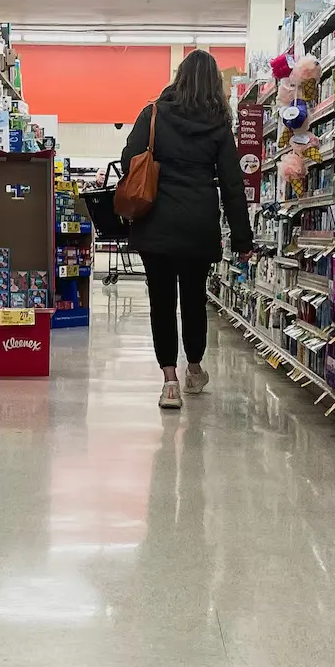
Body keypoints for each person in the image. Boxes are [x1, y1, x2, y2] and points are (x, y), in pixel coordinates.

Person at [120, 49, 253, 410]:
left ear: (179, 76)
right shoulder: (218, 125)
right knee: (194, 299)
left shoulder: (153, 113)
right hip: (198, 224)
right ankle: (194, 367)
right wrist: (243, 237)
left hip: (156, 223)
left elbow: (127, 159)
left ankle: (169, 382)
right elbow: (232, 183)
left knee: (161, 302)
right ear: (212, 82)